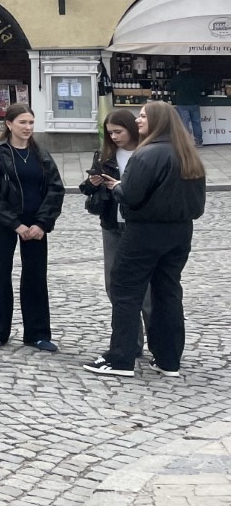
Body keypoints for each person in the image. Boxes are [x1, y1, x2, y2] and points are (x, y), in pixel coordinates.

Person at [85, 101, 206, 379]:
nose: (138, 120)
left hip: (144, 232)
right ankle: (168, 358)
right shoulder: (187, 153)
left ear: (158, 121)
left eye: (143, 116)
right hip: (180, 232)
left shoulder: (147, 154)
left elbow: (131, 196)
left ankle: (121, 358)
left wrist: (116, 187)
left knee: (125, 290)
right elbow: (198, 203)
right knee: (168, 292)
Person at [0, 102, 65, 352]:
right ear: (9, 125)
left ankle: (37, 333)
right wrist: (15, 223)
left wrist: (42, 223)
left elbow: (55, 189)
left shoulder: (41, 154)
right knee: (1, 273)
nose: (28, 127)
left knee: (36, 275)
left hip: (36, 223)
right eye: (22, 122)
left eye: (30, 122)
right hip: (7, 223)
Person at [80, 108, 150, 356]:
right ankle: (131, 341)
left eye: (118, 132)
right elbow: (86, 189)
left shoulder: (147, 152)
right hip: (112, 224)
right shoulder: (106, 155)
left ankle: (158, 340)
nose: (114, 137)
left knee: (147, 288)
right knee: (114, 284)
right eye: (110, 133)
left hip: (139, 226)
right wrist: (93, 183)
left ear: (131, 129)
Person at [167, 63, 207, 147]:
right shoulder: (195, 77)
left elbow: (170, 88)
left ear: (180, 69)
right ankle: (199, 142)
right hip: (195, 102)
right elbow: (203, 87)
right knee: (196, 122)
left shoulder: (177, 77)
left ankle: (187, 143)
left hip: (182, 103)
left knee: (185, 123)